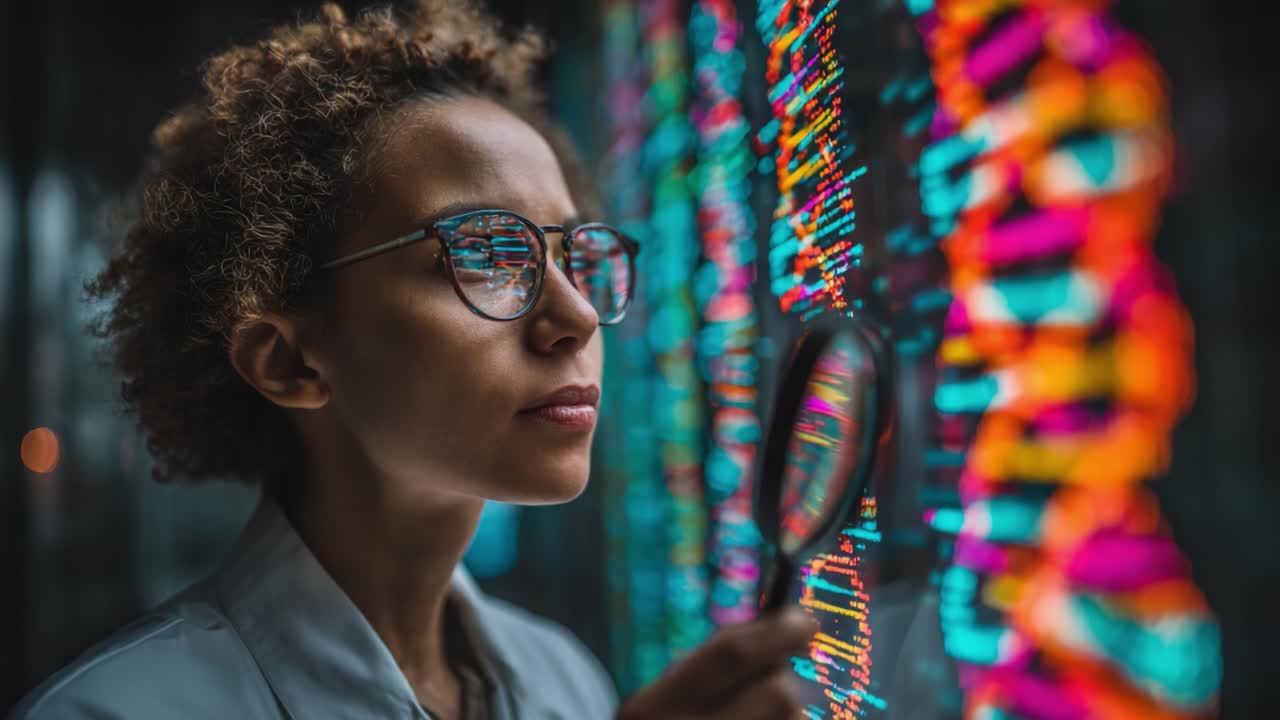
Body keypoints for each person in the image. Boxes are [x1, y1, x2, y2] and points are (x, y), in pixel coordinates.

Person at [11, 1, 816, 718]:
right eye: (483, 253)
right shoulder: (113, 710)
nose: (573, 315)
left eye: (575, 254)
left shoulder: (565, 681)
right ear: (289, 361)